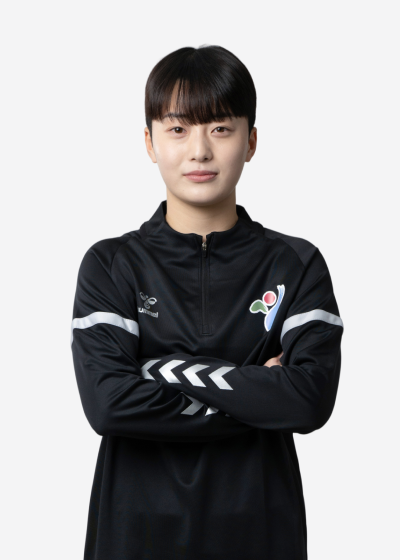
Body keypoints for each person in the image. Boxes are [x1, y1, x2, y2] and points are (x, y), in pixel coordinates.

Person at [71, 45, 344, 560]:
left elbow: (308, 399)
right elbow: (107, 404)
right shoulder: (110, 265)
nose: (199, 150)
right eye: (178, 129)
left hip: (261, 533)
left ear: (251, 140)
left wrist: (155, 370)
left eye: (220, 128)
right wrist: (257, 389)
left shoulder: (297, 265)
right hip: (134, 536)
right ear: (150, 142)